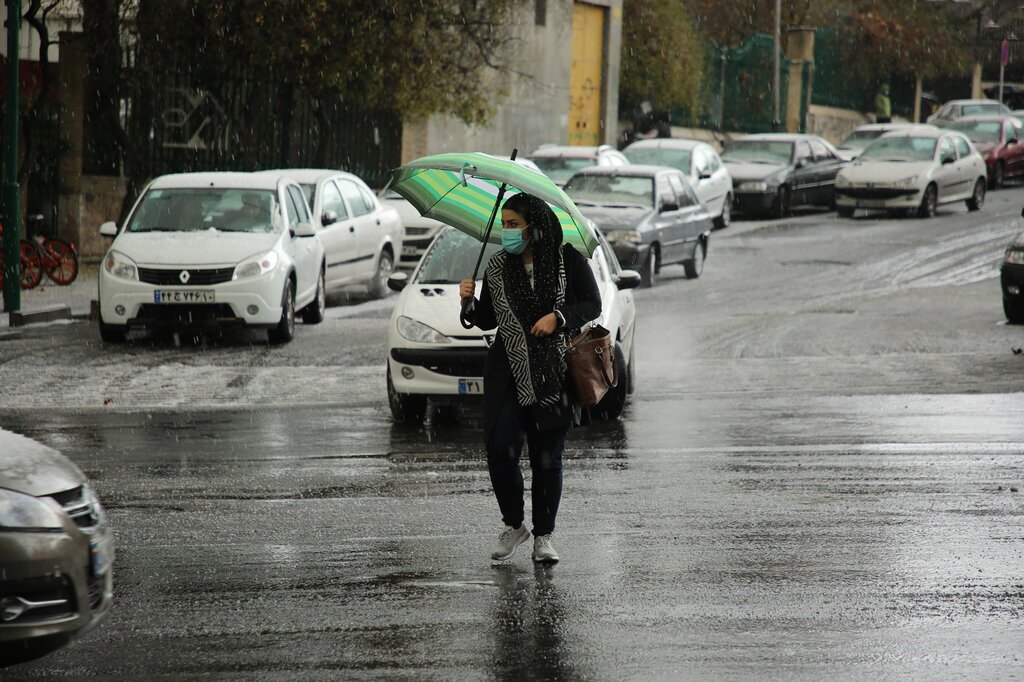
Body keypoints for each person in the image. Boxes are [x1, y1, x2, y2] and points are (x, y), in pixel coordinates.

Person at [459, 192, 601, 565]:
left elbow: (592, 303)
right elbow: (488, 318)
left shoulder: (567, 260)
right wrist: (468, 303)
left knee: (547, 459)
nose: (507, 232)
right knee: (499, 449)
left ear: (534, 226)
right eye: (504, 225)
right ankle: (514, 524)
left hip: (554, 374)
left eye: (513, 225)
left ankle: (544, 536)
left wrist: (559, 316)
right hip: (506, 371)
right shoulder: (496, 267)